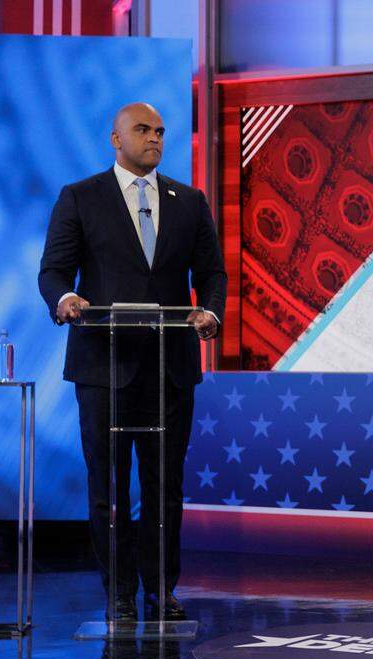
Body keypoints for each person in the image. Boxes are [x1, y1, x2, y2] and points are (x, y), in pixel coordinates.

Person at [38, 102, 227, 622]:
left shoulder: (189, 201)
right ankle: (118, 594)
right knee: (109, 488)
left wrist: (210, 310)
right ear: (116, 140)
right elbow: (54, 271)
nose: (155, 139)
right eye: (143, 130)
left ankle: (160, 591)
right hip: (103, 368)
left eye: (161, 132)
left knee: (165, 487)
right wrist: (65, 301)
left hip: (170, 368)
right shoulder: (80, 197)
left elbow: (212, 273)